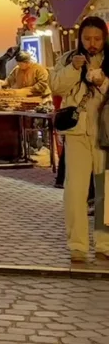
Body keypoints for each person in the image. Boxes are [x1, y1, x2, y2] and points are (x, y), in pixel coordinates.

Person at [50, 16, 109, 262]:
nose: (92, 43)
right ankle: (77, 244)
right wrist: (73, 69)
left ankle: (104, 244)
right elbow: (56, 86)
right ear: (80, 38)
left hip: (105, 133)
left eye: (97, 39)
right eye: (87, 38)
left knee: (106, 189)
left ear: (105, 38)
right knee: (75, 189)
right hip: (77, 132)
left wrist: (103, 82)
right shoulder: (67, 59)